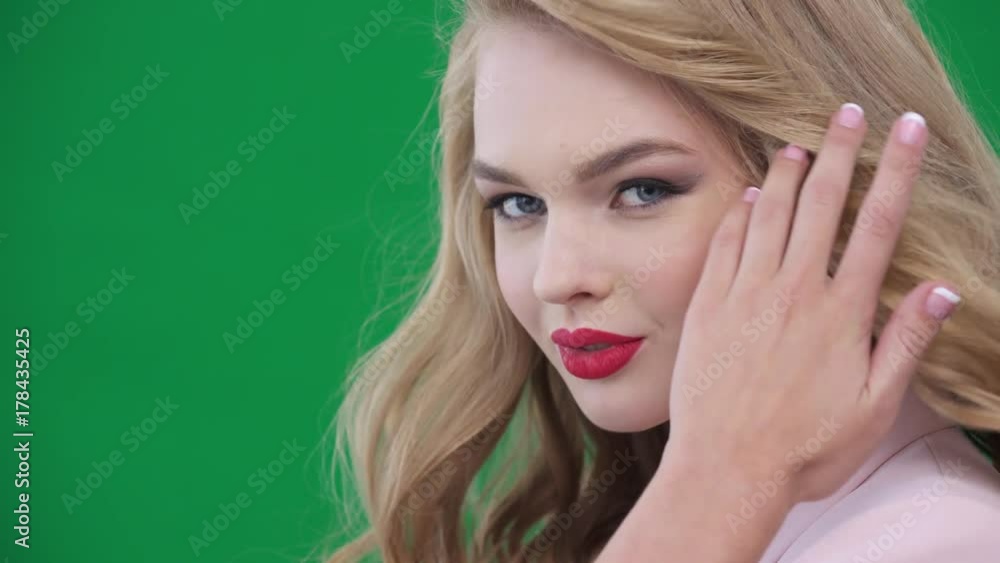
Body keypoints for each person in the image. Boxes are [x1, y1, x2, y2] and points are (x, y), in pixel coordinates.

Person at [325, 0, 1000, 561]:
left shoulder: (937, 542)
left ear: (840, 192)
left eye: (642, 189)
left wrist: (716, 482)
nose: (557, 278)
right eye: (519, 204)